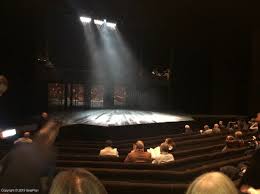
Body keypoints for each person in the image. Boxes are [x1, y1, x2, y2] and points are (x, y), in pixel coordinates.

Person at [0, 120, 60, 194]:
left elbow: (2, 165)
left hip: (7, 189)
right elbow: (47, 182)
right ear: (54, 135)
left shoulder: (21, 145)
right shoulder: (50, 153)